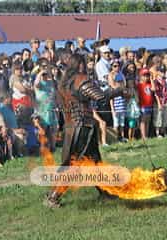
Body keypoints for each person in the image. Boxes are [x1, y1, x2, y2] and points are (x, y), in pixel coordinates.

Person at [44, 54, 127, 208]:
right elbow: (100, 96)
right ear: (79, 65)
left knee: (95, 162)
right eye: (84, 64)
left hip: (72, 128)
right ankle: (54, 196)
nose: (86, 67)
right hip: (82, 127)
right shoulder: (80, 79)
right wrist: (120, 90)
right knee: (73, 164)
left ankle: (104, 191)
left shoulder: (64, 84)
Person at [34, 69, 58, 152]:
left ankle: (53, 147)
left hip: (51, 109)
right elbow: (36, 84)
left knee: (54, 129)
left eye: (45, 74)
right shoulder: (39, 84)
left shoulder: (51, 83)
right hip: (41, 110)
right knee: (43, 129)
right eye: (43, 74)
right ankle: (42, 147)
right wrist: (40, 72)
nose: (44, 75)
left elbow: (54, 94)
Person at [108, 60, 127, 142]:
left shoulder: (121, 74)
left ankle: (122, 137)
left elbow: (124, 84)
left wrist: (121, 87)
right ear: (111, 67)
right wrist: (113, 109)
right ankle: (115, 138)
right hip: (115, 103)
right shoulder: (110, 75)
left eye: (118, 66)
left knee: (122, 123)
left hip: (122, 103)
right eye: (114, 66)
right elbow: (112, 86)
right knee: (116, 124)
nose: (117, 67)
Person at [137, 68, 154, 140]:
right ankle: (143, 136)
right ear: (140, 76)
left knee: (148, 120)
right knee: (143, 120)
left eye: (147, 76)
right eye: (144, 75)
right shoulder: (139, 85)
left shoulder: (149, 84)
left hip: (149, 105)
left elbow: (153, 89)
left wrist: (151, 79)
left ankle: (146, 135)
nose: (146, 77)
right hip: (143, 105)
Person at [153, 67, 167, 138]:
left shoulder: (164, 81)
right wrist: (159, 103)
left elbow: (165, 92)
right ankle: (157, 133)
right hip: (158, 102)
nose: (163, 73)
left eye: (163, 71)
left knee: (164, 118)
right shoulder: (156, 81)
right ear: (158, 72)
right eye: (161, 71)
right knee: (158, 118)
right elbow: (156, 93)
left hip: (164, 102)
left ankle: (163, 133)